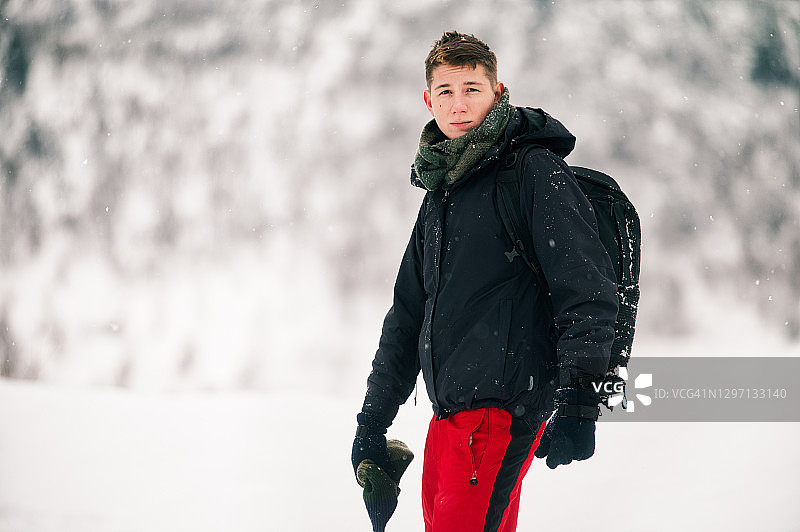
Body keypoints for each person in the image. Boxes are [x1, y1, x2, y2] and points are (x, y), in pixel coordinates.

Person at [352, 31, 618, 532]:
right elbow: (407, 316)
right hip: (449, 418)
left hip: (501, 412)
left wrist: (582, 397)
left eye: (471, 88)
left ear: (498, 92)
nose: (458, 104)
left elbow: (586, 287)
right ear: (428, 100)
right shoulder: (441, 193)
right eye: (446, 92)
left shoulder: (533, 171)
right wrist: (372, 422)